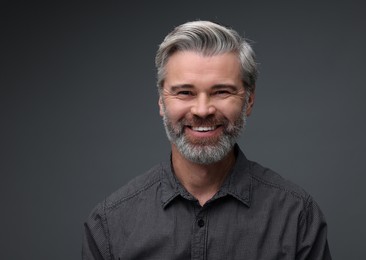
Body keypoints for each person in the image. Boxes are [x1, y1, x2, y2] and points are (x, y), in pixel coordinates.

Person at [82, 20, 331, 260]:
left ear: (249, 101)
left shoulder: (297, 216)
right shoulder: (110, 225)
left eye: (221, 91)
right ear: (161, 101)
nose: (202, 110)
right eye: (185, 92)